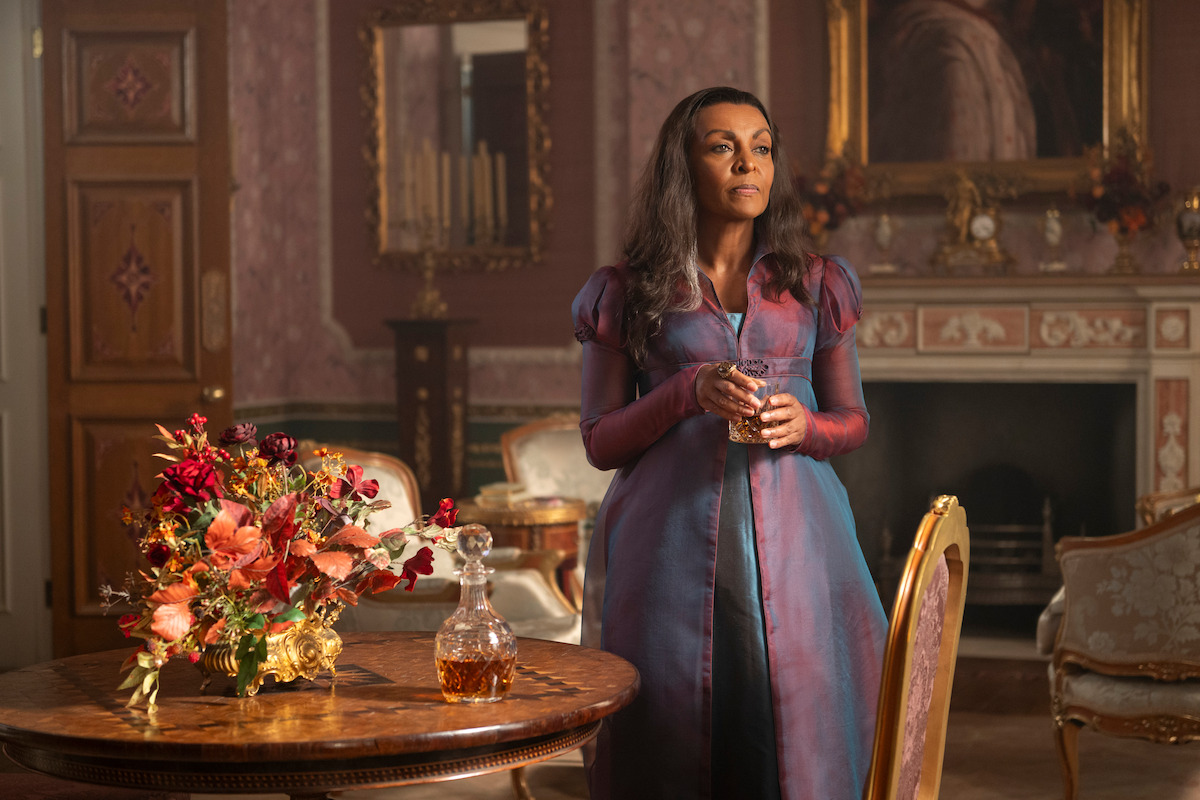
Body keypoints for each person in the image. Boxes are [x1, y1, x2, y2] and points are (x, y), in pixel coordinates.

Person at [571, 86, 886, 799]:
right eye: (723, 147)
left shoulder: (816, 284)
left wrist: (809, 428)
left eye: (762, 148)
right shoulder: (627, 290)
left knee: (793, 735)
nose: (749, 164)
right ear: (684, 167)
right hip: (667, 549)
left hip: (804, 546)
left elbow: (854, 420)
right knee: (670, 730)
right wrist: (686, 391)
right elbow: (599, 441)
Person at [868, 0, 1036, 163]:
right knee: (958, 55)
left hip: (987, 23)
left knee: (971, 49)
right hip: (929, 11)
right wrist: (970, 10)